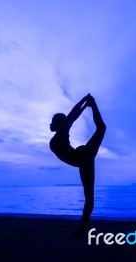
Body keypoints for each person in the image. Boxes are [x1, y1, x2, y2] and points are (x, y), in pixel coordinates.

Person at [49, 93, 106, 235]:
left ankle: (82, 228)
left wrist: (85, 100)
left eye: (53, 121)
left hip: (83, 157)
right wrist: (86, 104)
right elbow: (73, 117)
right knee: (89, 197)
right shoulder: (60, 135)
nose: (50, 124)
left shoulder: (62, 132)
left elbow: (72, 115)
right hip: (82, 160)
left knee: (101, 128)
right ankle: (82, 228)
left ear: (59, 124)